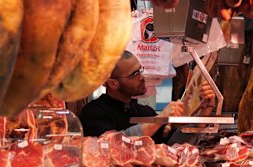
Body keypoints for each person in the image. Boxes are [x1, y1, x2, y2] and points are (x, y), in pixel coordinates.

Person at [80, 51, 216, 144]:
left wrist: (204, 112)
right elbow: (116, 144)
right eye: (134, 74)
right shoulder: (93, 113)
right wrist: (159, 119)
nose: (141, 77)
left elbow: (174, 147)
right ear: (112, 83)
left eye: (140, 70)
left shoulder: (144, 112)